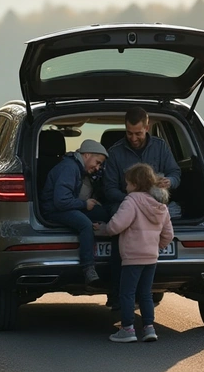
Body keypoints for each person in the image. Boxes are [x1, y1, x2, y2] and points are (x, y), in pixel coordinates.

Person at [103, 106, 181, 309]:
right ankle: (118, 295)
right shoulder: (115, 152)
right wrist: (134, 201)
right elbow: (108, 189)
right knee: (118, 232)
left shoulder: (161, 147)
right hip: (124, 204)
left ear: (148, 127)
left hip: (156, 204)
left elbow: (176, 173)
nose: (133, 137)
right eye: (129, 133)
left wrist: (170, 181)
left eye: (138, 133)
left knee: (176, 212)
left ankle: (145, 290)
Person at [95, 163, 174, 343]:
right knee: (146, 294)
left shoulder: (131, 201)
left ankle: (127, 329)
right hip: (151, 257)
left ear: (136, 184)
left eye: (128, 183)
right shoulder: (160, 205)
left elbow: (116, 225)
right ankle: (149, 328)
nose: (125, 187)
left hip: (132, 256)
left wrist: (103, 229)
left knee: (127, 293)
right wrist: (156, 247)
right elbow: (169, 234)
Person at [39, 139, 110, 287]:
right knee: (84, 224)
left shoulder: (76, 167)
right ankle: (88, 268)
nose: (97, 167)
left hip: (64, 207)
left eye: (99, 165)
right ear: (87, 155)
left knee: (102, 213)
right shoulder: (69, 168)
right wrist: (84, 204)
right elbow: (61, 201)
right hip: (53, 210)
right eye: (97, 162)